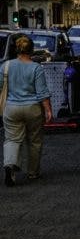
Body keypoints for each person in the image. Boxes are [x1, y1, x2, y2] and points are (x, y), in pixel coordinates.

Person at [1, 34, 53, 186]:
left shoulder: (6, 66)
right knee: (34, 141)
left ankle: (10, 165)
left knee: (11, 139)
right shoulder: (36, 68)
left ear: (16, 49)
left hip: (11, 108)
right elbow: (42, 92)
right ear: (31, 50)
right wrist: (48, 110)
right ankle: (33, 172)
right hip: (33, 108)